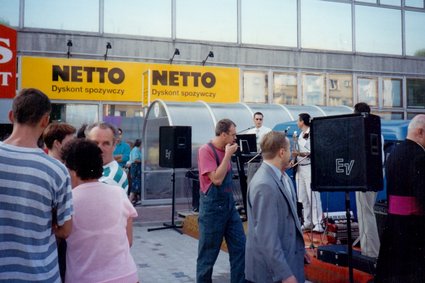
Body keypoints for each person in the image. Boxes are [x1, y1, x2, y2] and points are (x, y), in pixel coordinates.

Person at [0, 88, 73, 282]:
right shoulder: (56, 170)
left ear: (11, 115)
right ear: (45, 121)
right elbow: (65, 230)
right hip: (40, 274)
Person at [61, 138, 139, 283]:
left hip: (83, 277)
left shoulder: (68, 201)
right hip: (126, 274)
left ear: (72, 171)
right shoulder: (119, 193)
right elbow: (128, 241)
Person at [246, 131, 310, 283]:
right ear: (282, 152)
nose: (290, 154)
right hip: (271, 275)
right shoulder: (264, 184)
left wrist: (299, 249)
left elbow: (289, 219)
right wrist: (284, 273)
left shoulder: (283, 176)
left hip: (288, 260)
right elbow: (267, 236)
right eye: (289, 150)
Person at [375, 114, 425, 283]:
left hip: (393, 224)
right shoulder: (420, 156)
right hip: (414, 226)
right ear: (420, 132)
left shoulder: (395, 152)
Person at [197, 118, 246, 283]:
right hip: (212, 210)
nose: (235, 139)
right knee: (207, 256)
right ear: (223, 134)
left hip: (229, 206)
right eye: (233, 135)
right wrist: (227, 156)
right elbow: (216, 179)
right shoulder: (206, 150)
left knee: (240, 247)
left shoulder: (227, 149)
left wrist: (228, 154)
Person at [353, 102, 382, 258]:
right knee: (367, 213)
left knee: (366, 214)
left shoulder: (364, 132)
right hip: (373, 177)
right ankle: (369, 248)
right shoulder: (376, 130)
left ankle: (370, 251)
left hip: (365, 178)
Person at [293, 113, 323, 232]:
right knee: (303, 197)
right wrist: (293, 160)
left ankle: (318, 223)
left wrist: (298, 154)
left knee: (313, 197)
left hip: (309, 168)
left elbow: (312, 152)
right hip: (300, 168)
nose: (297, 122)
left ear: (302, 121)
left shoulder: (312, 133)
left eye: (298, 120)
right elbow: (298, 151)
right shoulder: (300, 134)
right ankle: (308, 222)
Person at [86, 122, 129, 193]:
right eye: (95, 143)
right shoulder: (98, 169)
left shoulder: (110, 179)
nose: (99, 148)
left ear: (114, 145)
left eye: (106, 143)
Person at [128, 138, 142, 205]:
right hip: (136, 168)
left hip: (137, 168)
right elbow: (135, 159)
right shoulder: (136, 149)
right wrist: (144, 161)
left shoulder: (138, 150)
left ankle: (136, 199)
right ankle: (130, 201)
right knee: (135, 184)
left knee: (137, 184)